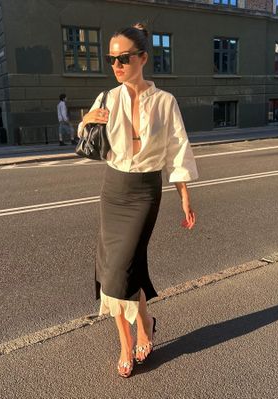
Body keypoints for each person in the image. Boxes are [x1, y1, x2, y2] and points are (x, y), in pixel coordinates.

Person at [78, 22, 198, 378]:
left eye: (124, 58)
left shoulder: (164, 102)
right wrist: (84, 120)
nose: (116, 66)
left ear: (143, 58)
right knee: (118, 270)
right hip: (113, 189)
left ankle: (142, 326)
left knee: (121, 268)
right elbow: (89, 142)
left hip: (145, 192)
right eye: (111, 59)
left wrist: (185, 197)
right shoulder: (107, 98)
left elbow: (178, 150)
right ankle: (131, 339)